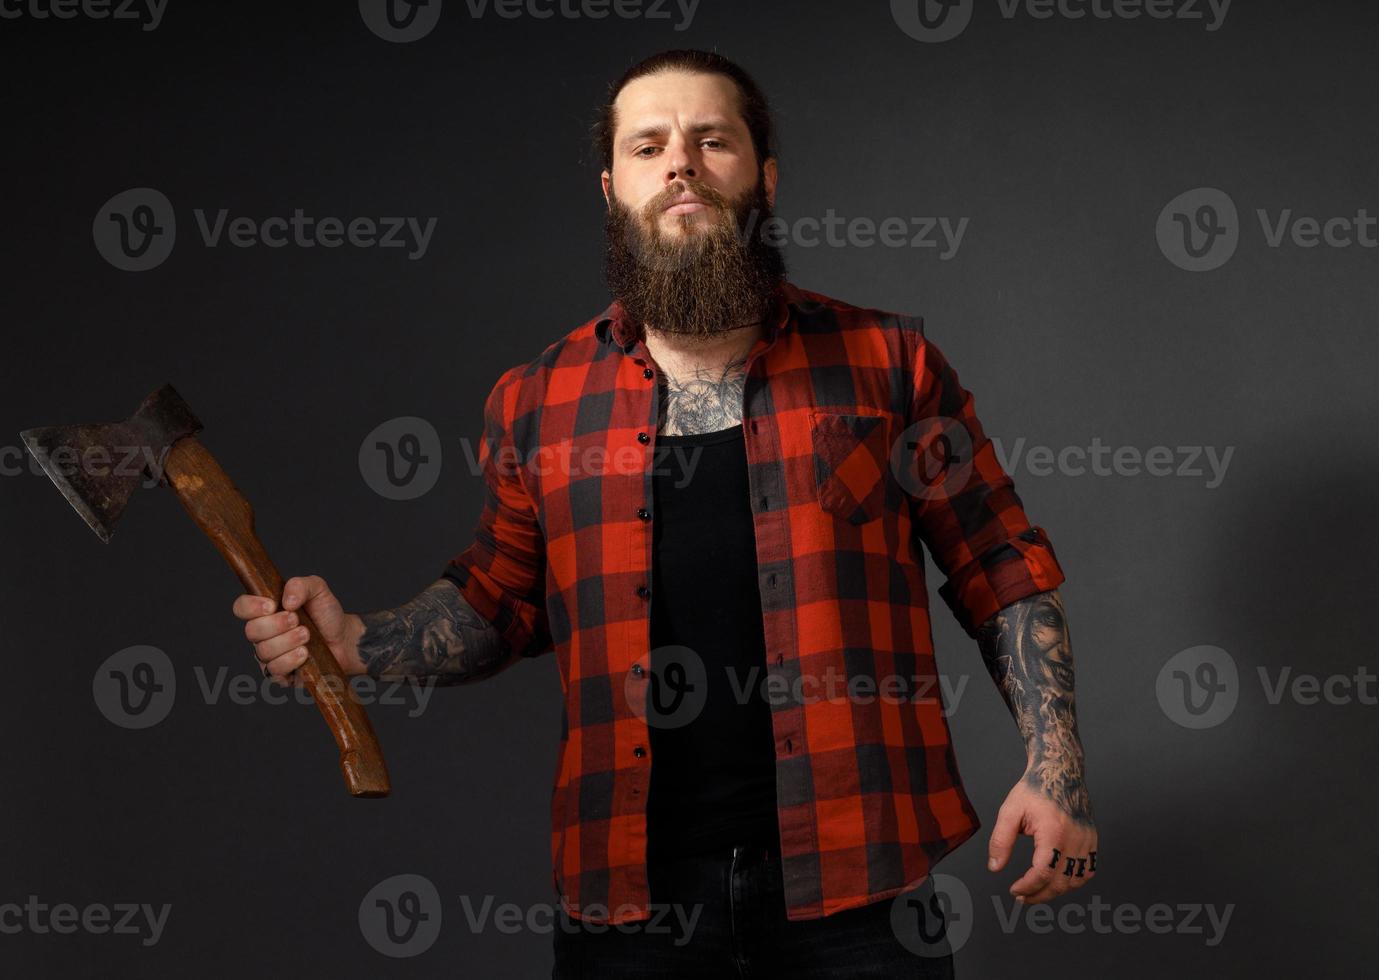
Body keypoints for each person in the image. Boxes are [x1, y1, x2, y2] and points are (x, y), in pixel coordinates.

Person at [233, 49, 1097, 978]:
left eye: (710, 139)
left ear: (763, 177)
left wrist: (1058, 771)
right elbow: (496, 606)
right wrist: (358, 639)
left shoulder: (891, 366)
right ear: (614, 190)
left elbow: (999, 565)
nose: (680, 163)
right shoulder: (535, 401)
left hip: (862, 889)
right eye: (649, 147)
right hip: (629, 906)